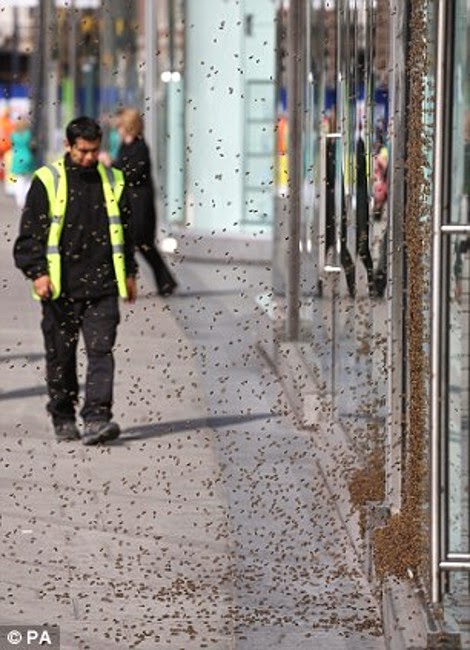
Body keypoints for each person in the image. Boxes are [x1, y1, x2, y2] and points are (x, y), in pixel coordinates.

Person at [13, 116, 138, 445]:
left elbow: (125, 232)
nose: (89, 158)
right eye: (82, 151)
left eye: (94, 151)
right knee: (61, 355)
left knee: (101, 351)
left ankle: (97, 418)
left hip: (103, 285)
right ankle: (63, 414)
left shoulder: (115, 180)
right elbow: (30, 236)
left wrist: (129, 273)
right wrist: (37, 272)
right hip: (61, 287)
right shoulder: (47, 180)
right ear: (68, 146)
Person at [101, 106, 177, 296]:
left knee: (141, 243)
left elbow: (132, 173)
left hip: (140, 204)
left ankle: (158, 281)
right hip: (130, 201)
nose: (118, 130)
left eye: (120, 126)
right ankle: (164, 281)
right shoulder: (126, 146)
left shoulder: (139, 147)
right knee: (139, 245)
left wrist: (111, 163)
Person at [10, 117, 36, 209]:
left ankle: (19, 200)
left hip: (17, 158)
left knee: (19, 180)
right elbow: (32, 145)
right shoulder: (28, 134)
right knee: (28, 179)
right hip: (27, 156)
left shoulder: (13, 135)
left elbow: (11, 145)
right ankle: (27, 198)